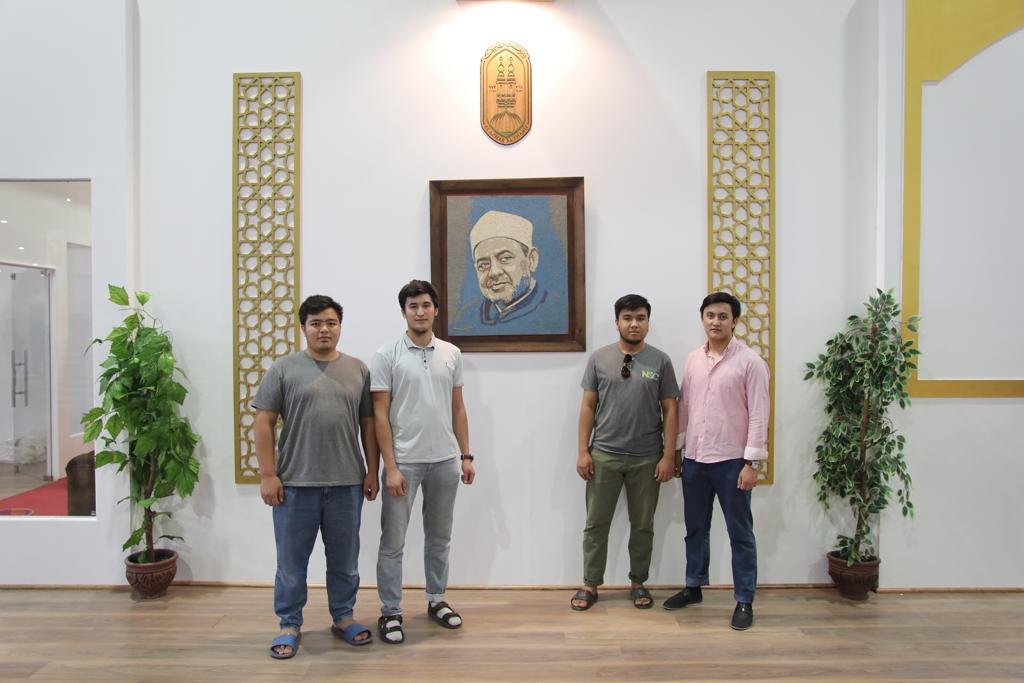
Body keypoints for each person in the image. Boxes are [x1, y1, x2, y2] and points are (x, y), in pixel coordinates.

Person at [252, 294, 379, 659]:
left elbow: (368, 425)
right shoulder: (284, 369)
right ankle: (289, 624)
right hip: (295, 485)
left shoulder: (358, 370)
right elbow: (263, 421)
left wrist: (372, 470)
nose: (324, 329)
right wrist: (268, 474)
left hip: (346, 484)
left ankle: (343, 617)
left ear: (340, 327)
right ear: (303, 328)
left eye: (331, 323)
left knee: (345, 561)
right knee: (292, 564)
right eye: (316, 323)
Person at [371, 279, 476, 644]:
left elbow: (458, 407)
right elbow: (380, 414)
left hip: (445, 461)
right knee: (393, 542)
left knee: (439, 538)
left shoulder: (451, 353)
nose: (420, 312)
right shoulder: (386, 355)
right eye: (413, 306)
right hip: (405, 462)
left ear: (436, 310)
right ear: (404, 312)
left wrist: (466, 455)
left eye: (426, 305)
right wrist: (391, 467)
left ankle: (436, 599)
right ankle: (390, 611)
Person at [663, 291, 770, 631]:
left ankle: (744, 599)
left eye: (723, 316)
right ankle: (693, 586)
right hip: (695, 459)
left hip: (732, 462)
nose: (716, 321)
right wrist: (678, 450)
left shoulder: (751, 362)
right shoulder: (693, 359)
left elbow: (759, 414)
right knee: (695, 529)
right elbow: (685, 408)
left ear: (735, 321)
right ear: (702, 319)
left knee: (740, 533)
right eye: (710, 315)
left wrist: (751, 463)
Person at [571, 294, 679, 611]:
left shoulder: (660, 361)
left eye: (640, 318)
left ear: (648, 322)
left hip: (647, 457)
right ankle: (590, 584)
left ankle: (638, 582)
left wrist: (668, 455)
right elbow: (588, 406)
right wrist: (583, 451)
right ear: (617, 322)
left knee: (643, 524)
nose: (634, 324)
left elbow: (671, 410)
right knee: (596, 523)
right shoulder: (599, 359)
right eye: (628, 318)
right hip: (604, 455)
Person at [450, 210, 563, 334]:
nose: (494, 272)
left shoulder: (555, 311)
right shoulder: (467, 317)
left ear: (531, 260)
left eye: (505, 259)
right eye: (483, 265)